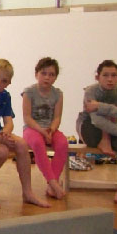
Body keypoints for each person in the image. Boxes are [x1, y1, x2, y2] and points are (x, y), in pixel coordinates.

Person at [0, 59, 49, 207]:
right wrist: (0, 139)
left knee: (22, 144)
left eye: (4, 81)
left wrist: (6, 133)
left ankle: (28, 192)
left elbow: (8, 121)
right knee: (2, 151)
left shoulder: (4, 96)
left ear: (8, 83)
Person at [76, 59, 117, 208]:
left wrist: (99, 106)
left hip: (112, 130)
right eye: (105, 75)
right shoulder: (91, 91)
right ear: (97, 77)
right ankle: (104, 140)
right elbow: (97, 120)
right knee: (100, 122)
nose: (110, 79)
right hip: (89, 129)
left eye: (114, 75)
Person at [22, 57, 68, 199]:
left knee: (63, 143)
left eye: (51, 74)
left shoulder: (58, 94)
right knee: (37, 143)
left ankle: (51, 185)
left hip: (50, 129)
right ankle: (54, 183)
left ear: (55, 77)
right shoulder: (29, 92)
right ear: (36, 74)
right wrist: (42, 131)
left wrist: (52, 130)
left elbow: (57, 117)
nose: (47, 77)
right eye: (44, 73)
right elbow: (27, 117)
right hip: (32, 129)